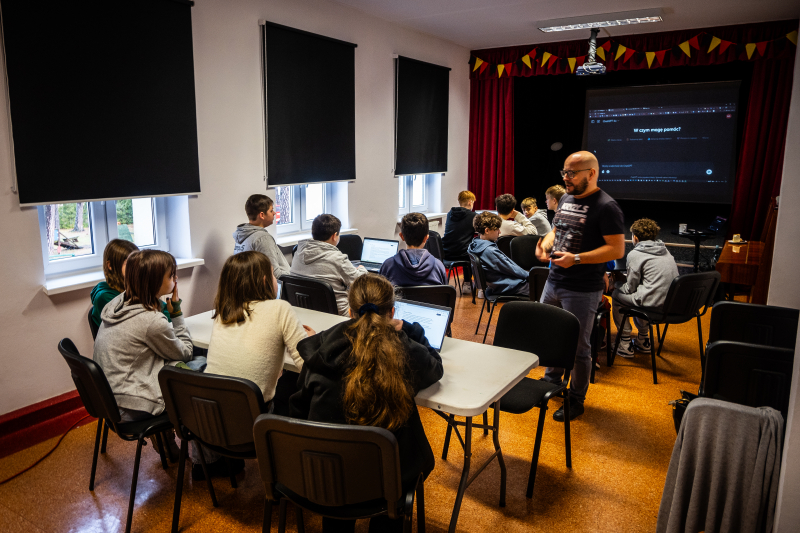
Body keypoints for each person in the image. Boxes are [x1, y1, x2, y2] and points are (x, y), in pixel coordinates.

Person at [290, 273, 443, 533]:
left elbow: (298, 408)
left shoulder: (322, 349)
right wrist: (408, 328)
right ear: (392, 312)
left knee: (339, 484)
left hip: (327, 475)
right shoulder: (403, 350)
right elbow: (434, 366)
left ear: (349, 311)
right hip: (389, 480)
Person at [200, 251, 313, 480]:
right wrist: (311, 341)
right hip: (255, 421)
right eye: (273, 274)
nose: (275, 280)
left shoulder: (223, 311)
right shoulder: (280, 308)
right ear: (264, 280)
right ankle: (292, 470)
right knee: (294, 382)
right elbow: (306, 364)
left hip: (212, 421)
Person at [535, 151, 625, 422]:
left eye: (572, 173)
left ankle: (576, 398)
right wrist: (545, 243)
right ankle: (551, 383)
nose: (566, 178)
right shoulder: (565, 198)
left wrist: (576, 258)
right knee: (550, 335)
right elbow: (557, 228)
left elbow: (616, 248)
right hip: (554, 281)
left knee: (579, 347)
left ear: (592, 173)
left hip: (583, 288)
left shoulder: (607, 207)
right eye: (564, 172)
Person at [93, 250, 194, 422]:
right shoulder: (151, 322)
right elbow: (186, 352)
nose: (175, 279)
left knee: (172, 363)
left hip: (111, 397)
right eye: (171, 276)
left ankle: (167, 444)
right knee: (196, 367)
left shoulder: (117, 304)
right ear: (154, 282)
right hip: (131, 404)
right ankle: (185, 443)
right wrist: (176, 313)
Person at [612, 218, 678, 357]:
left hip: (652, 304)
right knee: (641, 293)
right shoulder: (665, 251)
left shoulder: (636, 254)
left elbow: (629, 288)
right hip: (671, 304)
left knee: (617, 296)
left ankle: (624, 342)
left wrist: (616, 284)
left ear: (635, 237)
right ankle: (643, 339)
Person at [290, 214, 366, 316]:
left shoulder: (297, 253)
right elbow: (361, 282)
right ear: (334, 236)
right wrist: (362, 270)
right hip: (340, 315)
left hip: (307, 313)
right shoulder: (337, 259)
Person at [468, 211, 529, 297]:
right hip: (508, 286)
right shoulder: (489, 251)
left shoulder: (475, 244)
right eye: (497, 229)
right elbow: (511, 269)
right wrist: (531, 275)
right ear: (487, 230)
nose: (499, 232)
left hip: (497, 284)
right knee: (541, 288)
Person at [380, 212, 447, 286]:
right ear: (426, 238)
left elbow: (381, 295)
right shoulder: (438, 267)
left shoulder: (387, 266)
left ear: (402, 236)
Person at [233, 194, 291, 279]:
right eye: (271, 211)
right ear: (262, 215)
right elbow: (274, 273)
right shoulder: (263, 238)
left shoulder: (241, 235)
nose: (274, 213)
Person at [90, 239, 141, 329]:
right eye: (129, 264)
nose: (136, 269)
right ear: (110, 265)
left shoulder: (130, 288)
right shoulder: (106, 298)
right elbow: (135, 326)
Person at [442, 190, 477, 290]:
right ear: (470, 202)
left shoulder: (450, 214)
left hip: (446, 252)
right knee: (474, 249)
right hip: (462, 254)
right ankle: (468, 283)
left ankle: (467, 283)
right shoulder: (473, 216)